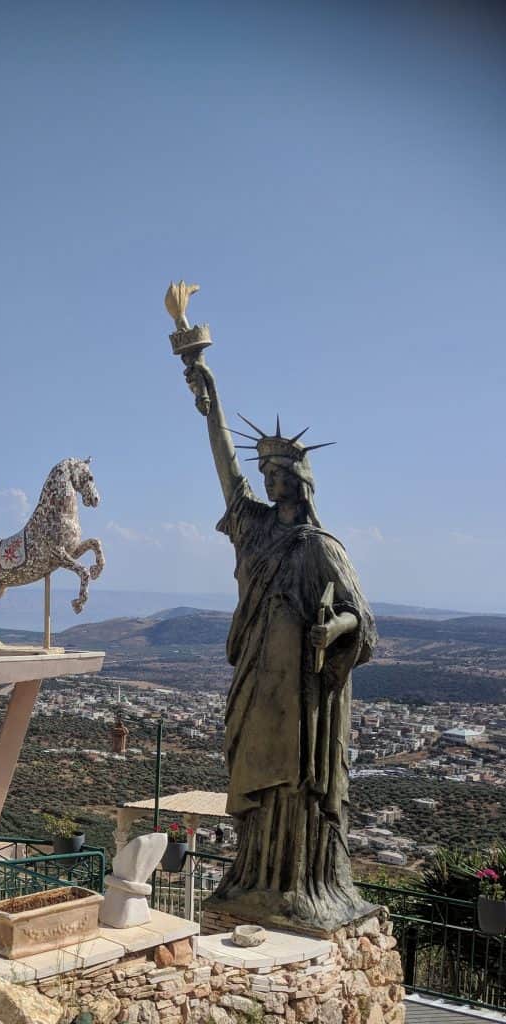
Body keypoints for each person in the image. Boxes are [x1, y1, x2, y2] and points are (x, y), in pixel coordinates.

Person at [183, 356, 377, 933]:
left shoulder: (319, 544)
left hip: (300, 689)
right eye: (263, 470)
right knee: (248, 770)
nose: (267, 479)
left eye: (277, 471)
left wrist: (334, 630)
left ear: (300, 478)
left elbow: (361, 618)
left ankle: (298, 884)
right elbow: (224, 467)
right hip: (255, 673)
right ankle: (254, 879)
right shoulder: (254, 527)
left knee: (293, 782)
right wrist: (209, 397)